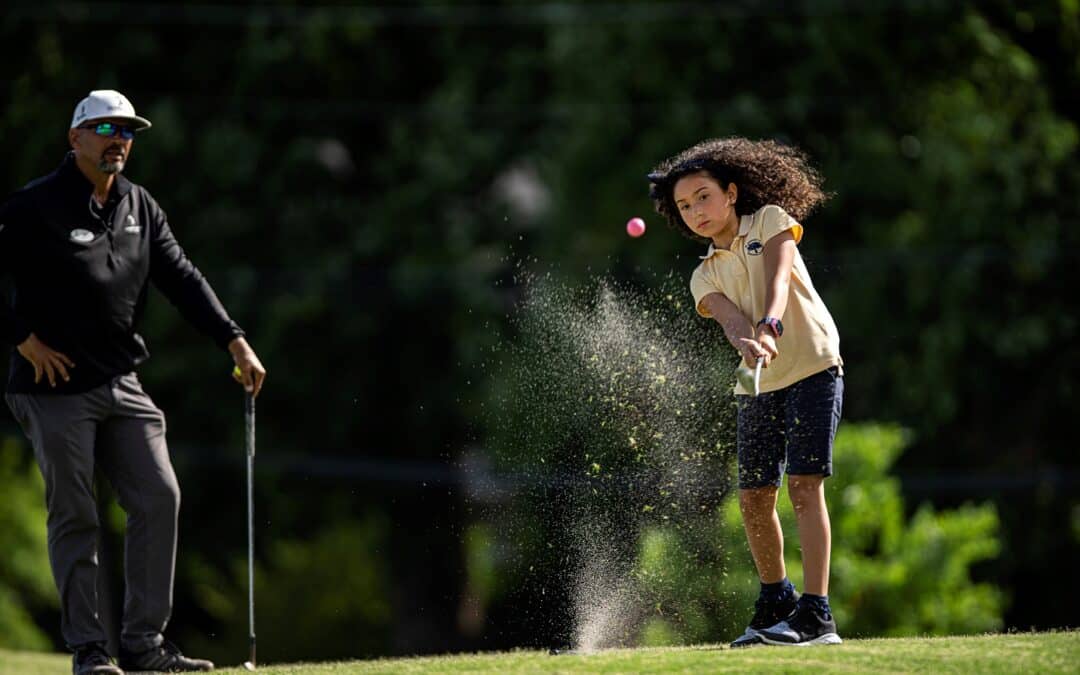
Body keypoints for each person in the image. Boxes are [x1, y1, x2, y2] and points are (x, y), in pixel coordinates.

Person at [0, 90, 267, 674]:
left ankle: (144, 646)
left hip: (121, 380)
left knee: (158, 494)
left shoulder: (139, 206)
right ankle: (91, 652)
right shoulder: (34, 206)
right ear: (76, 139)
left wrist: (234, 338)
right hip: (53, 386)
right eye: (105, 128)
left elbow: (183, 278)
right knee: (77, 514)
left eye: (127, 131)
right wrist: (23, 339)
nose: (119, 139)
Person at [647, 137, 844, 647]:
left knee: (804, 486)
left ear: (731, 193)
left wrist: (770, 327)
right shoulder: (703, 274)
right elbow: (732, 321)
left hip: (813, 364)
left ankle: (817, 615)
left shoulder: (771, 220)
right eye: (684, 206)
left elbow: (779, 279)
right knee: (754, 497)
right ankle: (777, 600)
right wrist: (748, 338)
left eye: (703, 197)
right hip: (757, 381)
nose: (695, 211)